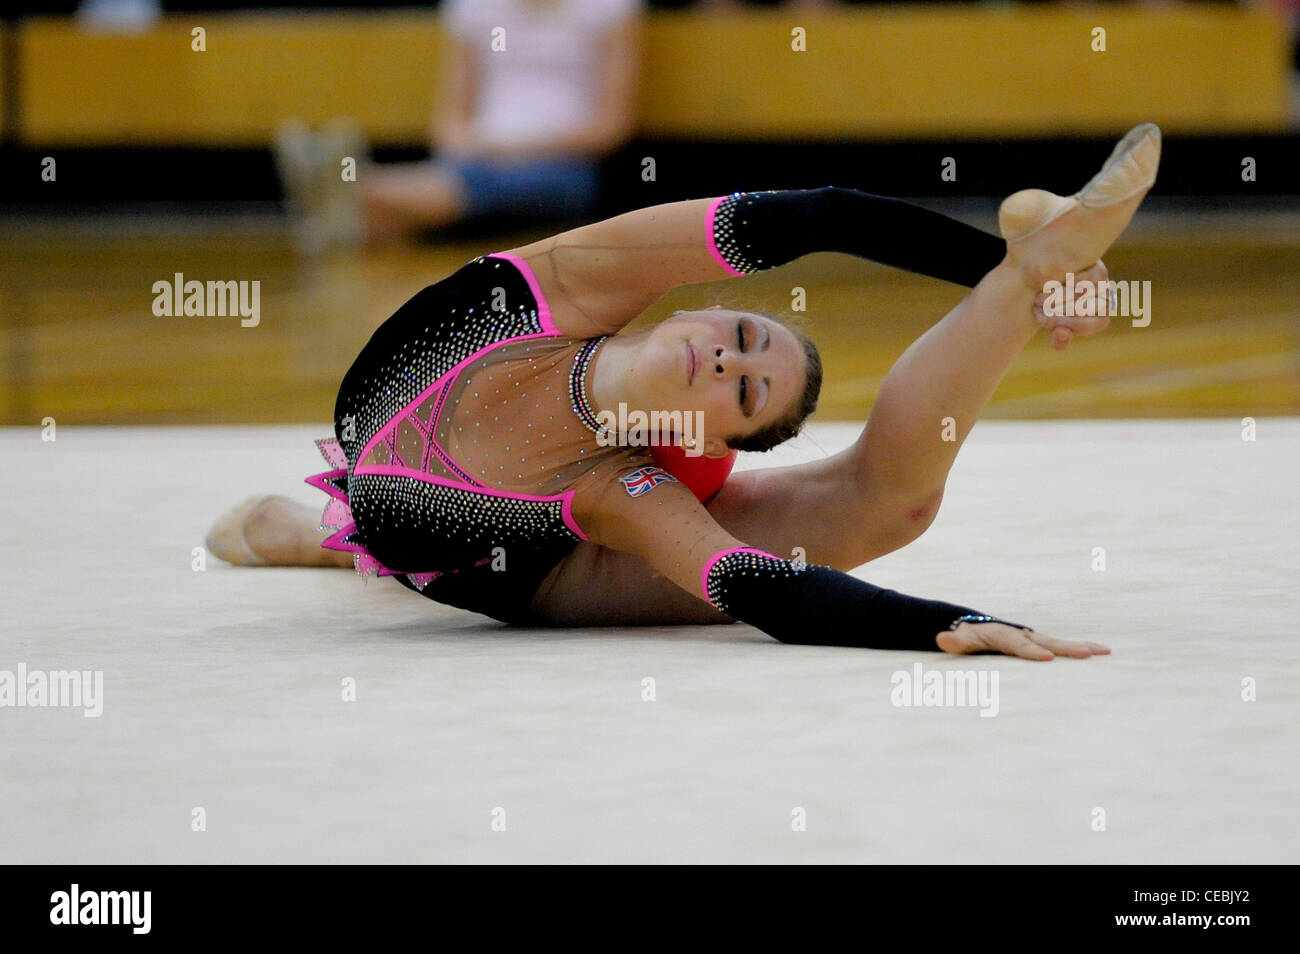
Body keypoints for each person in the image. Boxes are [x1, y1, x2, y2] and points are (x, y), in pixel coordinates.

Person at [209, 124, 1162, 659]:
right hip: (391, 438)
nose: (731, 363)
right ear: (691, 314)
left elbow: (764, 591)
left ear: (701, 445)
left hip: (532, 570)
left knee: (888, 507)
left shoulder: (619, 492)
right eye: (747, 340)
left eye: (747, 394)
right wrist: (987, 254)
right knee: (366, 528)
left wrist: (946, 623)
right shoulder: (559, 283)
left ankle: (1026, 288)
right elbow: (820, 216)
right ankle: (1026, 271)